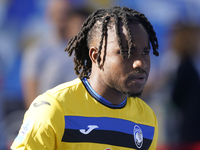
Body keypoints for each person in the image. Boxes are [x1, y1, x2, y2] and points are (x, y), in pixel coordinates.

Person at [11, 6, 159, 150]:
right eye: (126, 52)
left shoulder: (147, 119)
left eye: (145, 52)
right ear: (96, 56)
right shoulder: (54, 108)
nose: (140, 62)